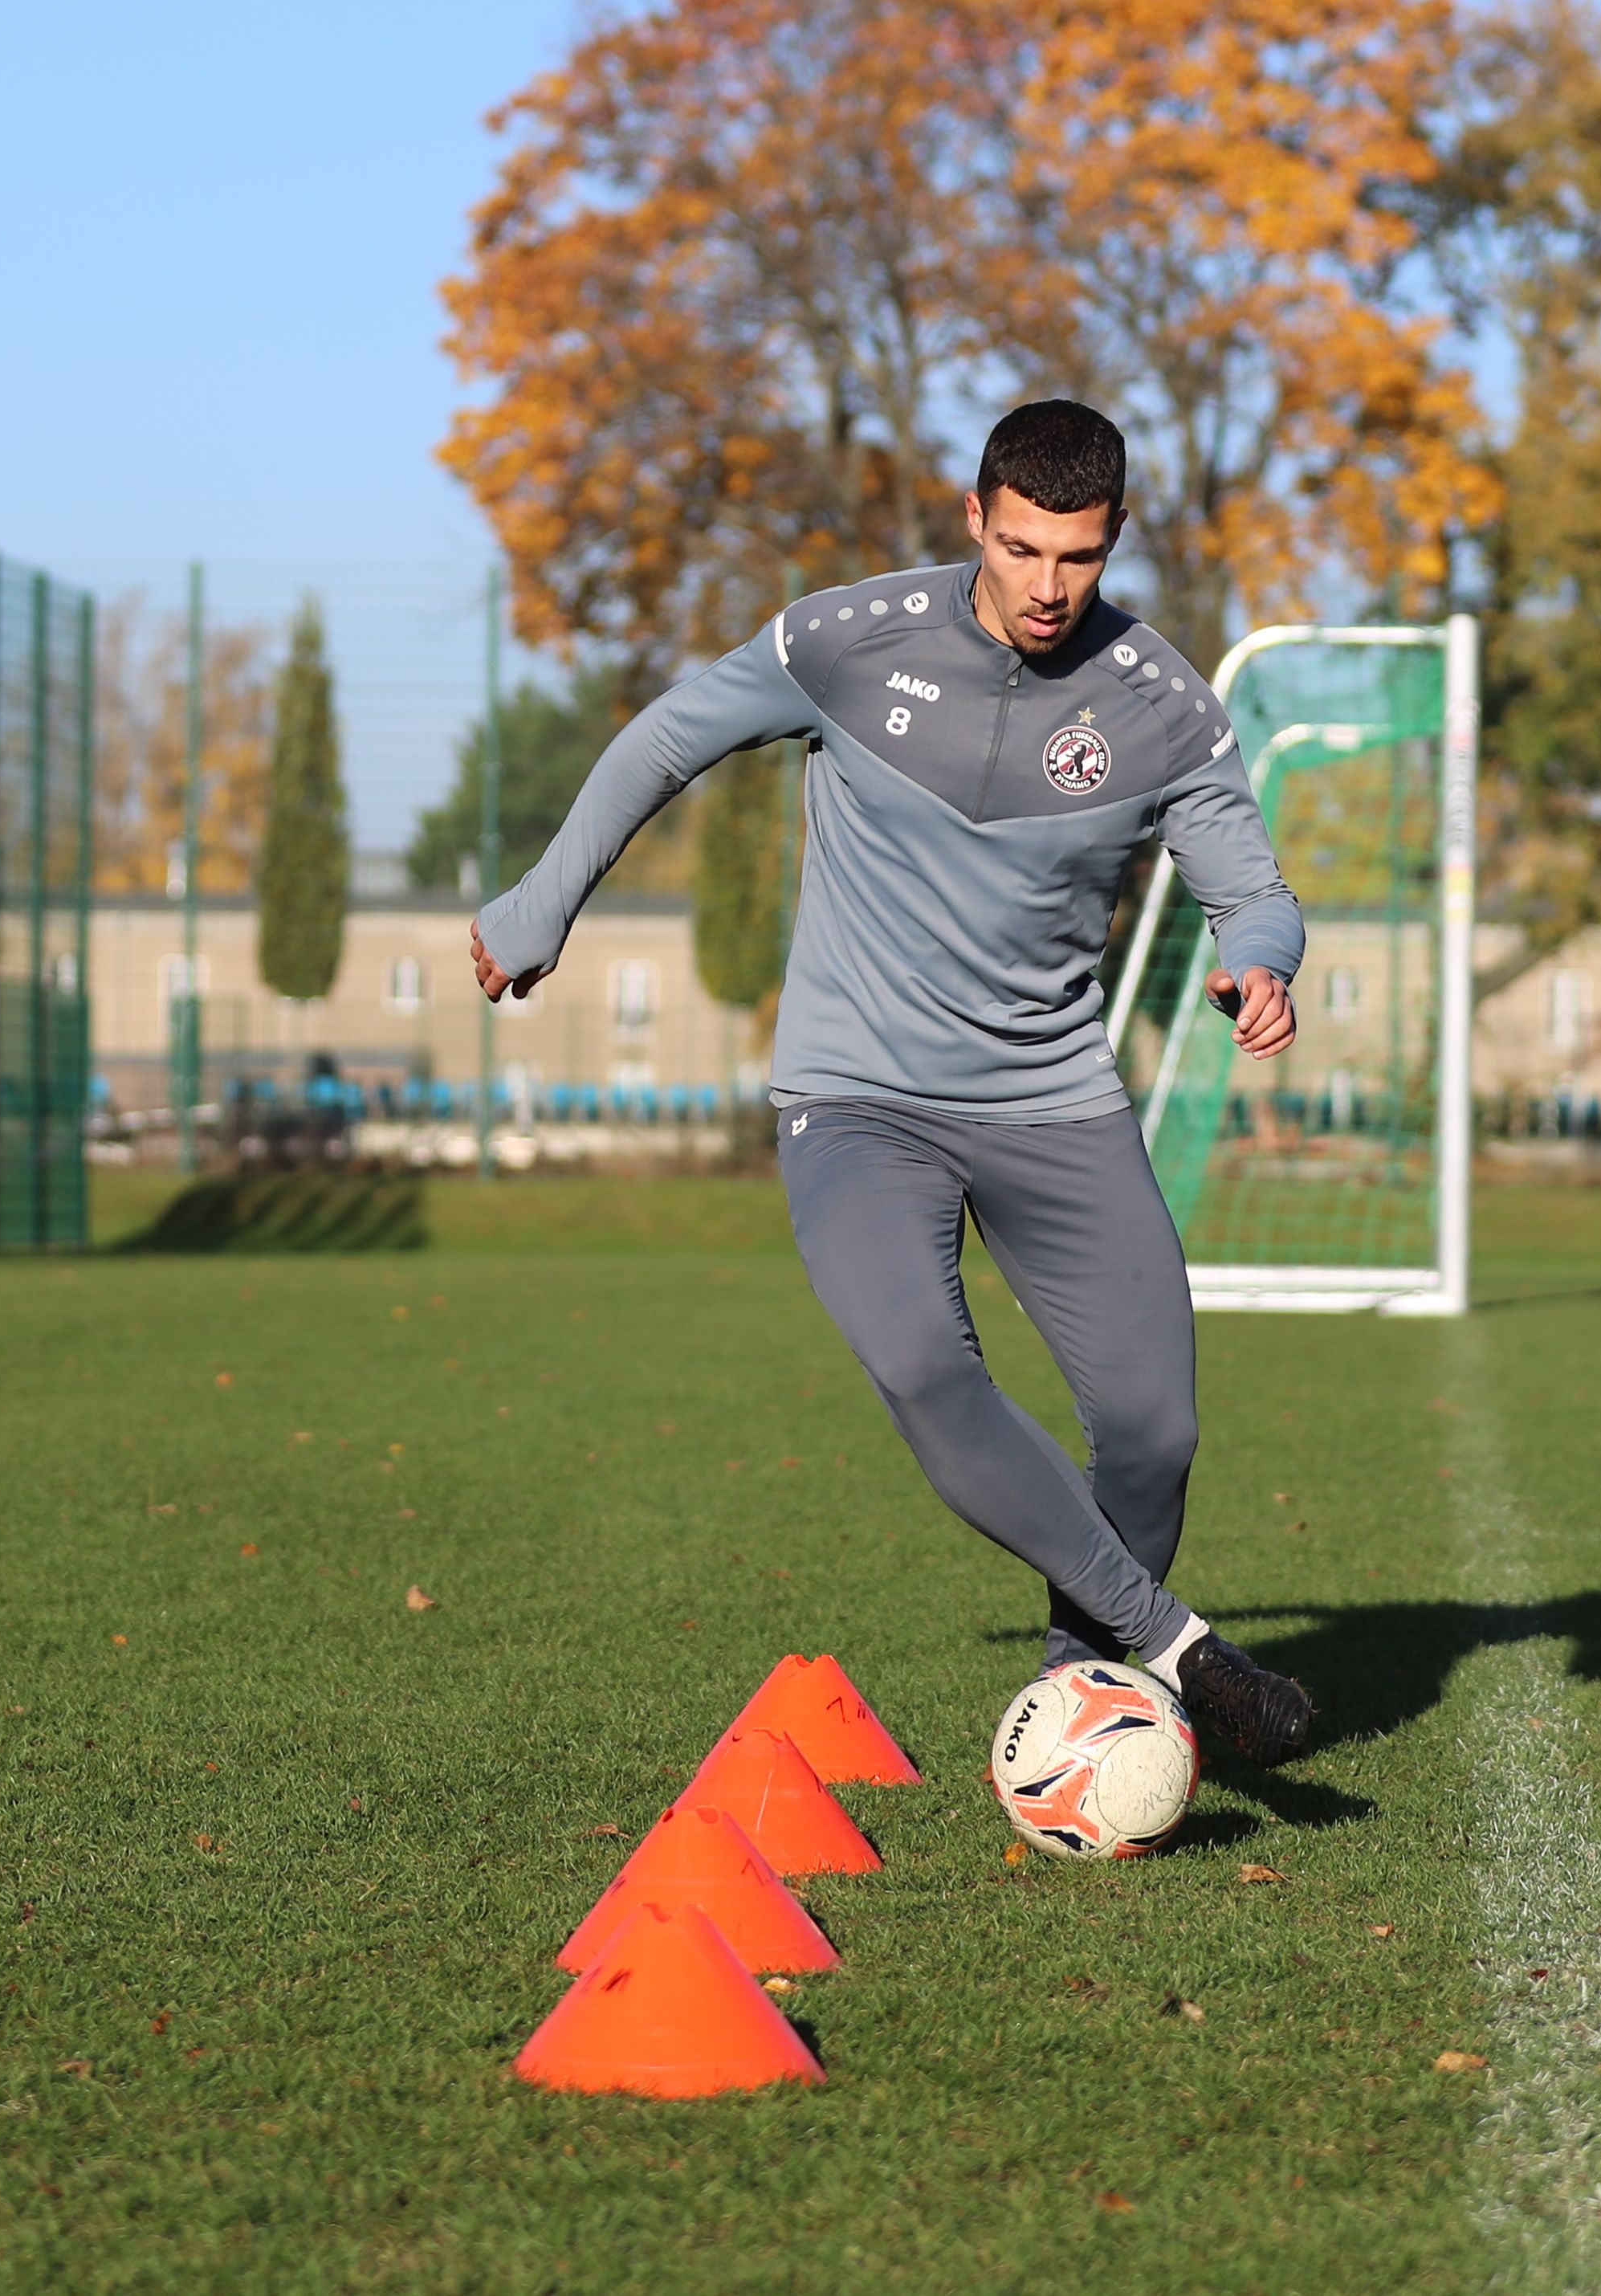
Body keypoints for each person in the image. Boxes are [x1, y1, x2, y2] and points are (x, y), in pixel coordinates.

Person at [471, 398, 1318, 1764]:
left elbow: (1250, 883)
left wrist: (1261, 964)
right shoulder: (844, 645)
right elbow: (664, 740)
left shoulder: (1163, 708)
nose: (1050, 587)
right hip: (859, 1097)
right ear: (974, 518)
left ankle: (1088, 1700)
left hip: (1053, 1103)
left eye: (1081, 558)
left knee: (1155, 1429)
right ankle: (1173, 1652)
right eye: (1027, 548)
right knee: (927, 1364)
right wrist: (539, 907)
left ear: (1115, 544)